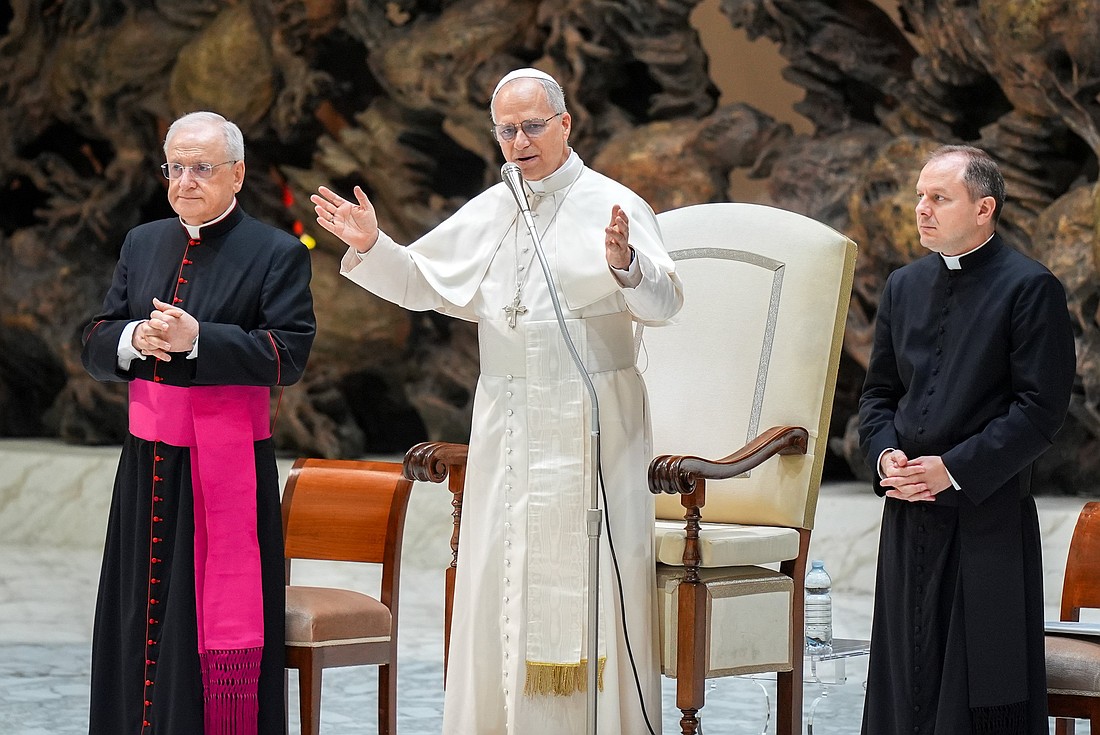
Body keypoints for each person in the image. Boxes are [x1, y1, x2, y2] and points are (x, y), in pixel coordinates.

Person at [312, 68, 683, 734]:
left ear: (565, 125)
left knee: (591, 585)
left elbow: (664, 304)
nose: (518, 141)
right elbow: (425, 281)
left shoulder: (613, 204)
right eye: (506, 130)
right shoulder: (493, 207)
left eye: (532, 126)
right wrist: (372, 245)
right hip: (508, 423)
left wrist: (627, 265)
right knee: (501, 582)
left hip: (589, 419)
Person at [82, 111, 316, 735]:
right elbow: (96, 340)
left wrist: (196, 342)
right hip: (145, 464)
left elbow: (287, 355)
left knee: (195, 622)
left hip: (225, 468)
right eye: (176, 168)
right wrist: (135, 338)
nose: (185, 181)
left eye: (202, 168)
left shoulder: (278, 252)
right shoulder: (143, 242)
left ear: (237, 174)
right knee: (137, 615)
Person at [858, 144, 1076, 734]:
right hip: (907, 516)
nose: (921, 210)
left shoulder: (1031, 288)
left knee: (983, 685)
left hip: (985, 515)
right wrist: (887, 457)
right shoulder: (902, 287)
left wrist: (950, 470)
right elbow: (878, 395)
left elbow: (1041, 409)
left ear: (984, 208)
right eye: (919, 197)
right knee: (903, 680)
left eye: (939, 198)